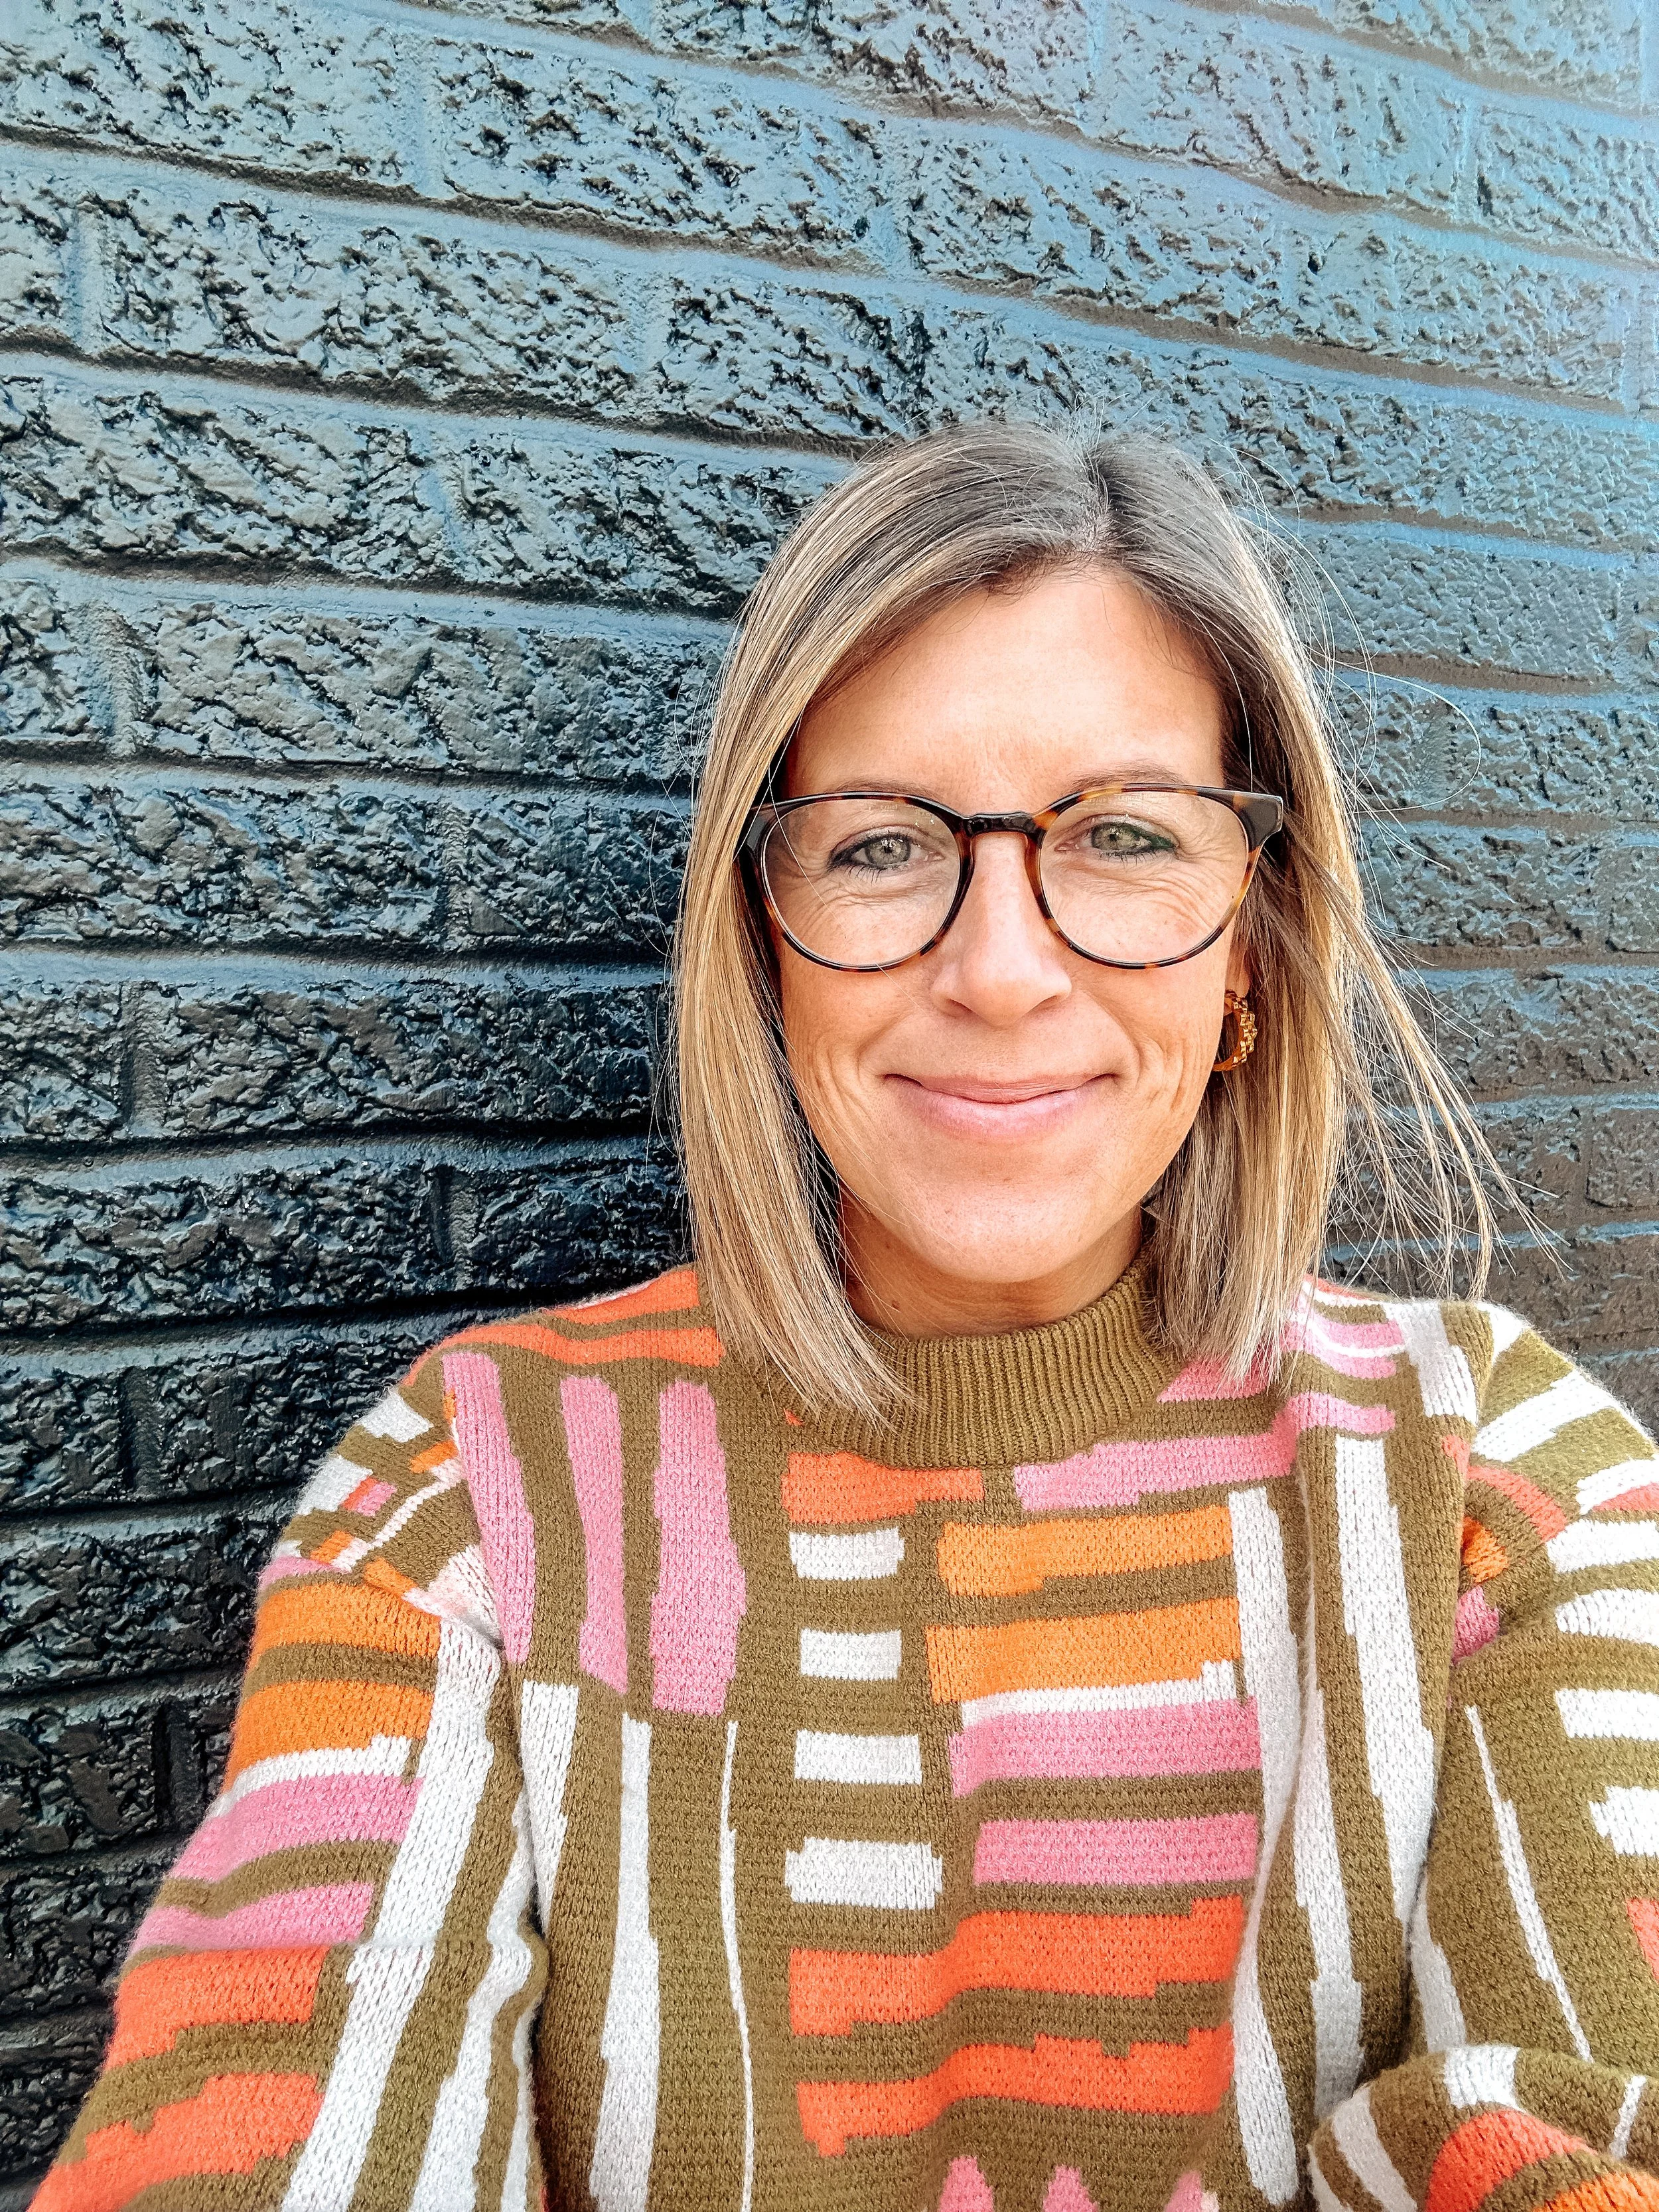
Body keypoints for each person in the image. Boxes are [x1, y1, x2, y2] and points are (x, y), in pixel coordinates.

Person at [35, 423, 1659, 2212]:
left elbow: (1584, 2108)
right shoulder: (474, 1498)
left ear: (1254, 956)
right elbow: (283, 2113)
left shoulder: (1499, 1482)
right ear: (763, 944)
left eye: (1122, 836)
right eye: (881, 846)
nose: (998, 965)